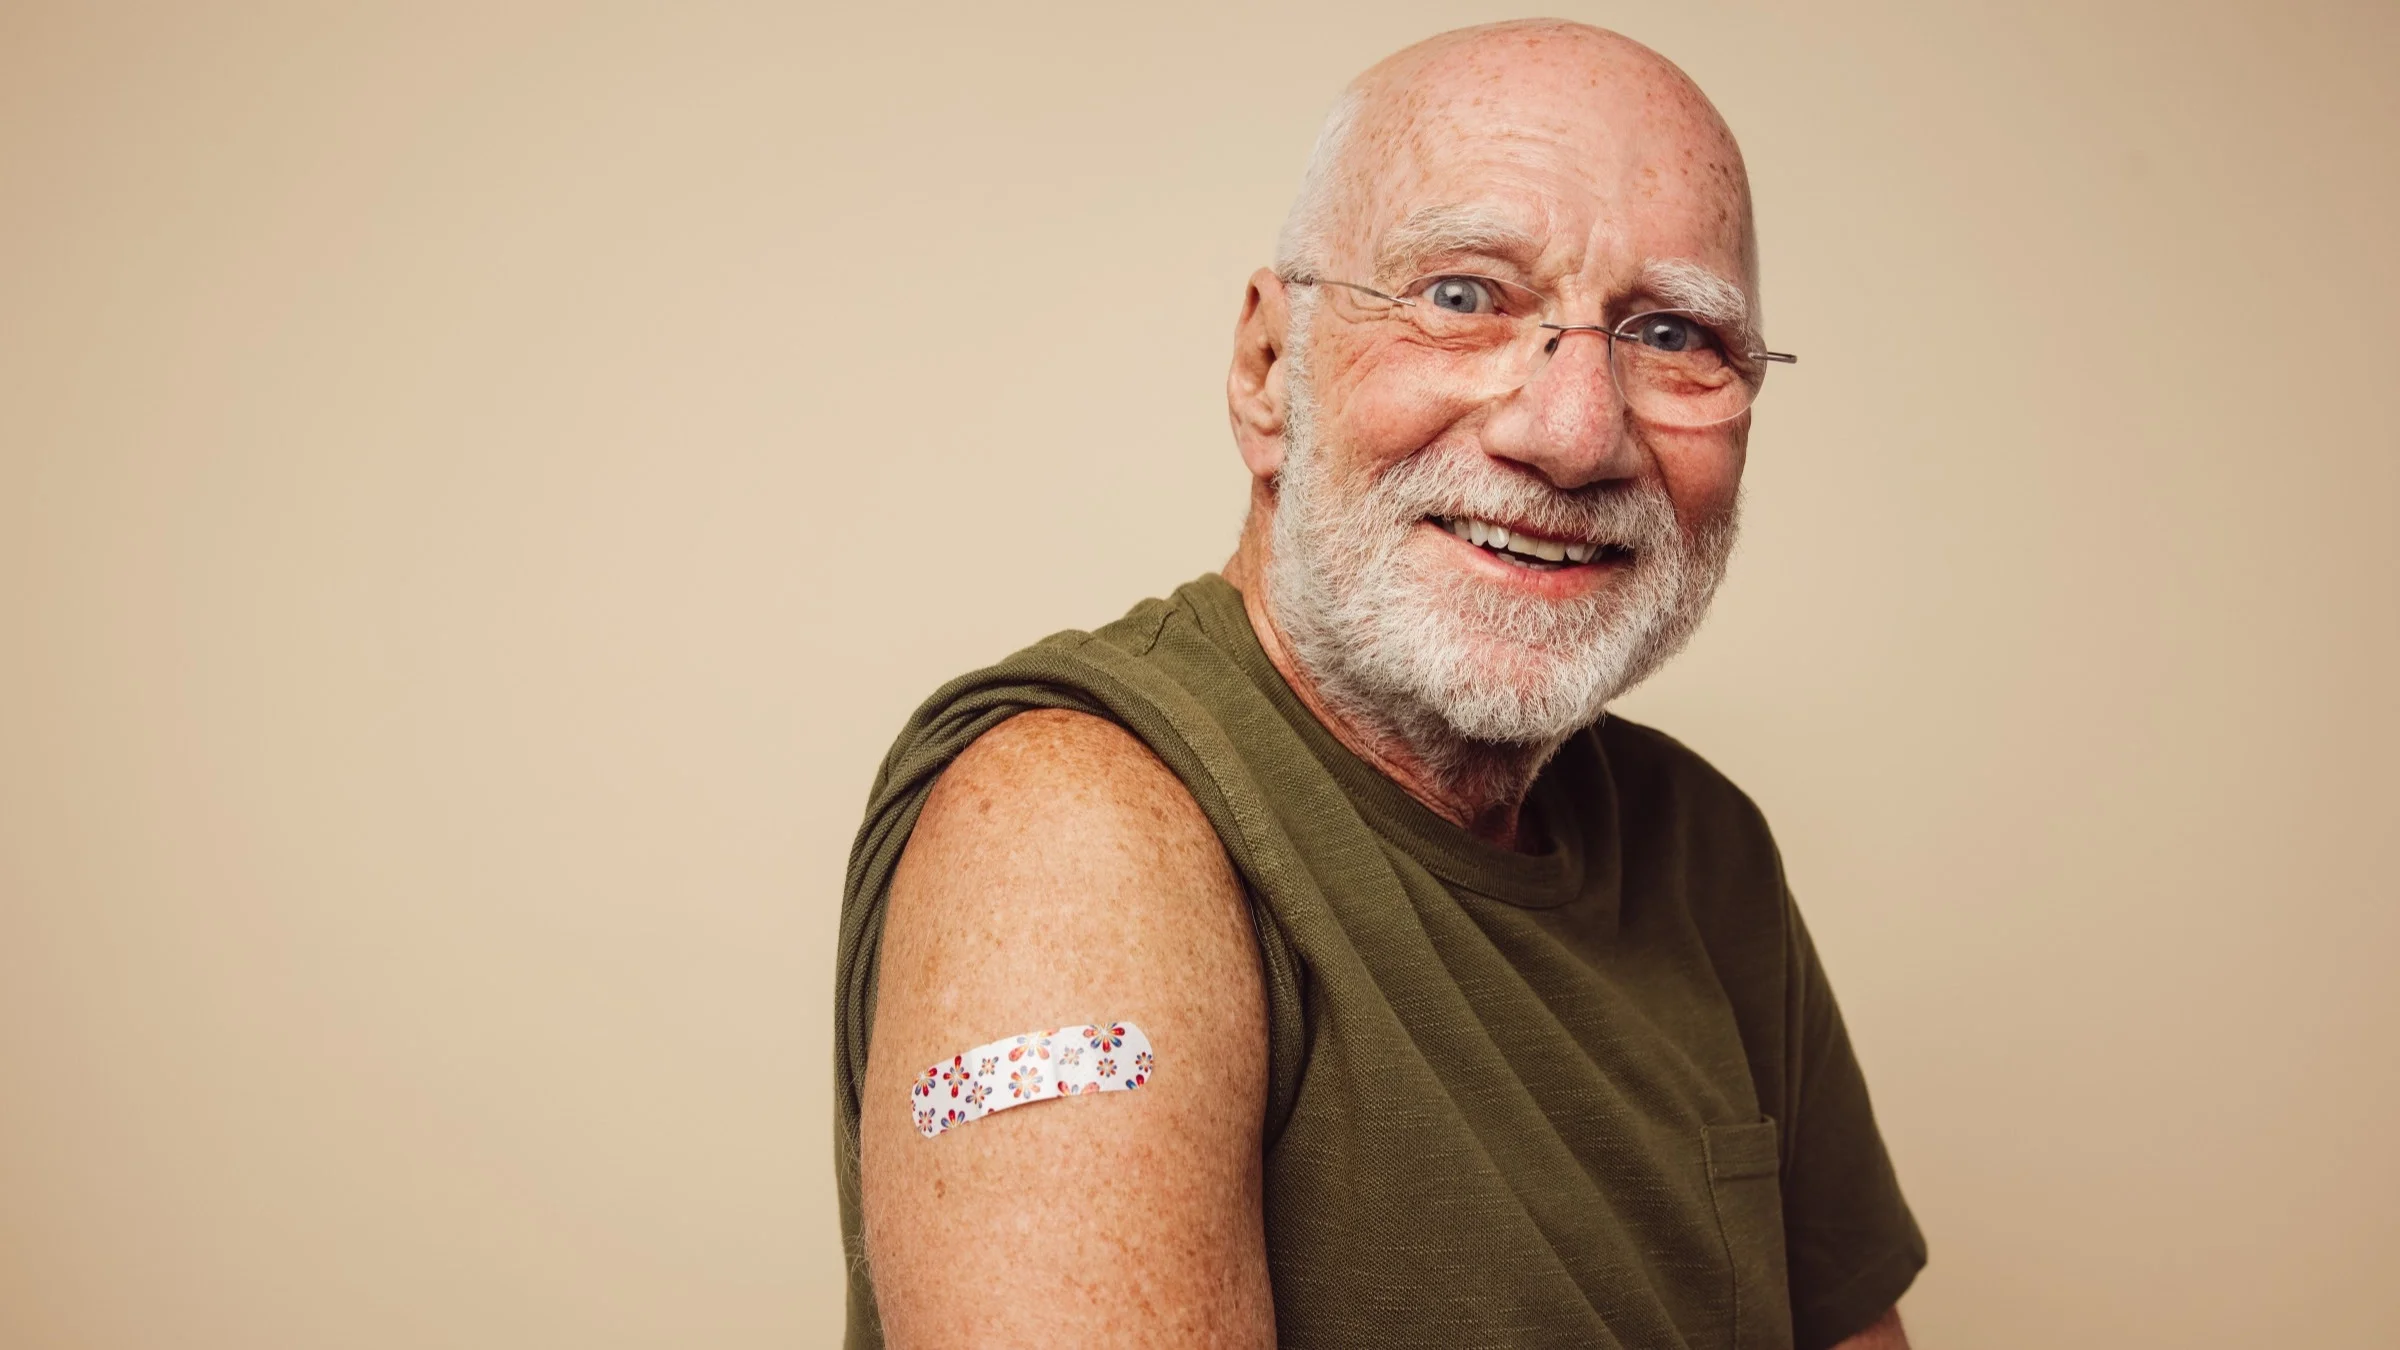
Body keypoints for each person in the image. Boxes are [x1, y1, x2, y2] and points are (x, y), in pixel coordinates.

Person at [832, 19, 1924, 1349]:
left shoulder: (1708, 856)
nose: (1576, 433)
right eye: (1464, 295)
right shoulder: (1073, 834)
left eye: (1673, 330)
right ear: (1269, 368)